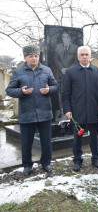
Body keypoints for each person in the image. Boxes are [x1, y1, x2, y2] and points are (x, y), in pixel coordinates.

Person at [6, 45, 58, 175]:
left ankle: (46, 163)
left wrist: (49, 90)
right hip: (26, 113)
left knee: (46, 141)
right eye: (31, 56)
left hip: (45, 112)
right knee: (26, 142)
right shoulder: (18, 72)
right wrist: (21, 92)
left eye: (36, 56)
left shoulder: (46, 70)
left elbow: (55, 86)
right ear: (25, 58)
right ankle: (27, 165)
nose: (34, 58)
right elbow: (9, 90)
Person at [62, 46, 98, 172]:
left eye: (86, 54)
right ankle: (77, 160)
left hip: (94, 111)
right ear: (78, 56)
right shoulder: (71, 72)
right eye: (82, 54)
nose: (84, 57)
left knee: (94, 137)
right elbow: (65, 93)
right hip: (78, 112)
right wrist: (67, 109)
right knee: (77, 138)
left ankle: (96, 159)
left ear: (90, 56)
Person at [54, 31, 79, 116]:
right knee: (61, 93)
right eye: (63, 37)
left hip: (72, 74)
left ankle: (72, 110)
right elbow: (55, 59)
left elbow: (77, 60)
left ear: (70, 38)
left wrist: (70, 69)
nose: (65, 39)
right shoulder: (58, 47)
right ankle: (62, 111)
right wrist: (61, 68)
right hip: (61, 74)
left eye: (67, 37)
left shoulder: (75, 48)